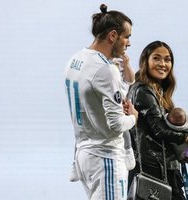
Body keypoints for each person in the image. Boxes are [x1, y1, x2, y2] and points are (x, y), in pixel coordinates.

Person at [64, 4, 138, 200]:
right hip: (106, 159)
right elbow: (116, 125)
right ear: (113, 36)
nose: (128, 43)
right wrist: (133, 117)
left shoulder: (75, 59)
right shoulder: (106, 69)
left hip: (84, 155)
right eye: (127, 36)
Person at [126, 40, 188, 199]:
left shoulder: (156, 90)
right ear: (145, 61)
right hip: (153, 169)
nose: (163, 64)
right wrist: (185, 135)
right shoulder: (143, 90)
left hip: (158, 167)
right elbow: (160, 130)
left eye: (167, 59)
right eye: (157, 58)